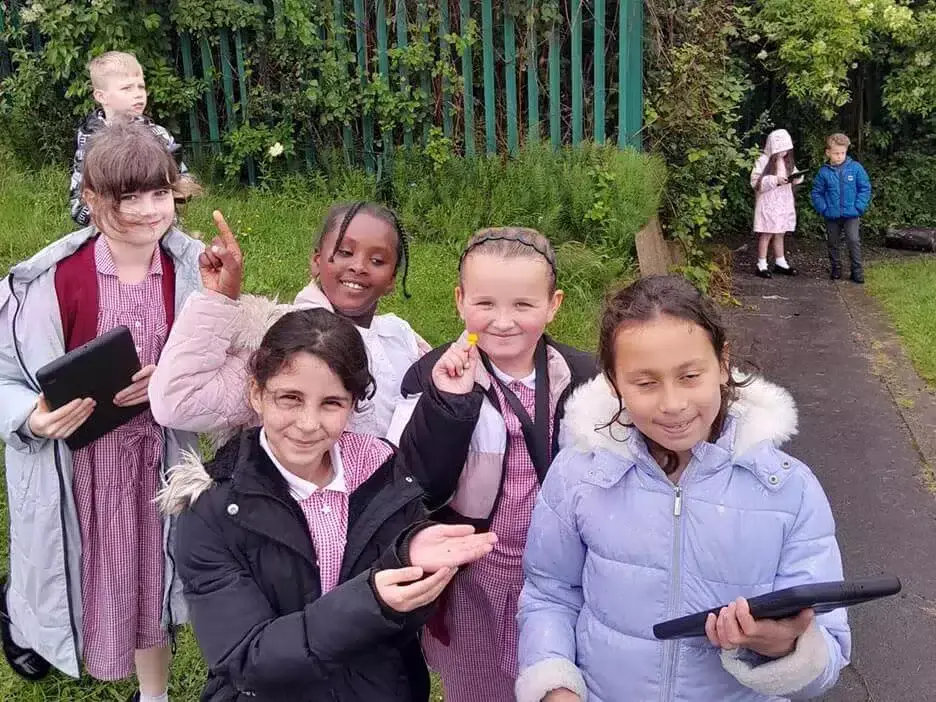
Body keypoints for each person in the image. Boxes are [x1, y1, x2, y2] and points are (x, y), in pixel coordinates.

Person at [515, 275, 851, 702]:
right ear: (615, 383)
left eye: (690, 375)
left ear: (722, 363)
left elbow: (829, 652)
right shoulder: (579, 474)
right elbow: (550, 593)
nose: (672, 404)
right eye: (645, 383)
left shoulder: (789, 490)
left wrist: (783, 646)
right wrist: (556, 688)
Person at [158, 307, 497, 701]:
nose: (307, 423)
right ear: (256, 394)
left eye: (331, 403)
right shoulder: (212, 512)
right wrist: (371, 601)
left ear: (354, 405)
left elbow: (405, 623)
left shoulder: (383, 472)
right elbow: (247, 658)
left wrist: (408, 559)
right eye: (290, 398)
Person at [0, 121, 204, 702]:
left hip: (158, 467)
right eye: (127, 198)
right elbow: (4, 375)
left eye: (159, 193)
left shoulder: (192, 273)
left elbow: (228, 365)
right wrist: (31, 418)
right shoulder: (43, 285)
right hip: (79, 471)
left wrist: (172, 378)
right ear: (91, 202)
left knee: (150, 581)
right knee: (84, 576)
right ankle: (20, 616)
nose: (147, 211)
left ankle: (155, 694)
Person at [393, 228, 597, 702]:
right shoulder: (430, 378)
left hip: (563, 573)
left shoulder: (587, 378)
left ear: (554, 304)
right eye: (485, 304)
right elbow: (416, 482)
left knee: (559, 677)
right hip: (476, 579)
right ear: (460, 301)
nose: (503, 322)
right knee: (479, 686)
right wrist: (447, 404)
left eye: (523, 306)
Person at [149, 201, 429, 443]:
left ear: (392, 279)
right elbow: (177, 403)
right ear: (317, 261)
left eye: (377, 260)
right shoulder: (279, 334)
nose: (358, 266)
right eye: (345, 252)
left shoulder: (401, 339)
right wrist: (218, 298)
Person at [70, 51, 188, 226]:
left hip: (161, 228)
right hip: (114, 232)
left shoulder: (158, 135)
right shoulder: (91, 142)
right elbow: (79, 201)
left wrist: (177, 189)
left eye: (141, 86)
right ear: (101, 96)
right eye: (127, 88)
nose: (138, 94)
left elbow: (183, 178)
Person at [810, 133, 872, 283]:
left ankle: (857, 271)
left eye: (843, 153)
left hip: (851, 214)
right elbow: (816, 192)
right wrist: (823, 208)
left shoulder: (856, 168)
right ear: (828, 152)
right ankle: (836, 268)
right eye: (836, 153)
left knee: (853, 240)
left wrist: (859, 207)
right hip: (831, 215)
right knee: (832, 242)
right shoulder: (823, 172)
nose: (839, 156)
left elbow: (865, 188)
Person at [751, 129, 805, 278]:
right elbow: (756, 182)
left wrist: (796, 178)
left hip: (783, 201)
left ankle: (780, 261)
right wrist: (775, 180)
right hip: (769, 202)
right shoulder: (763, 161)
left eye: (786, 150)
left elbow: (795, 174)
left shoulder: (787, 161)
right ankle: (761, 264)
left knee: (780, 231)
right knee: (767, 231)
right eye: (780, 150)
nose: (783, 153)